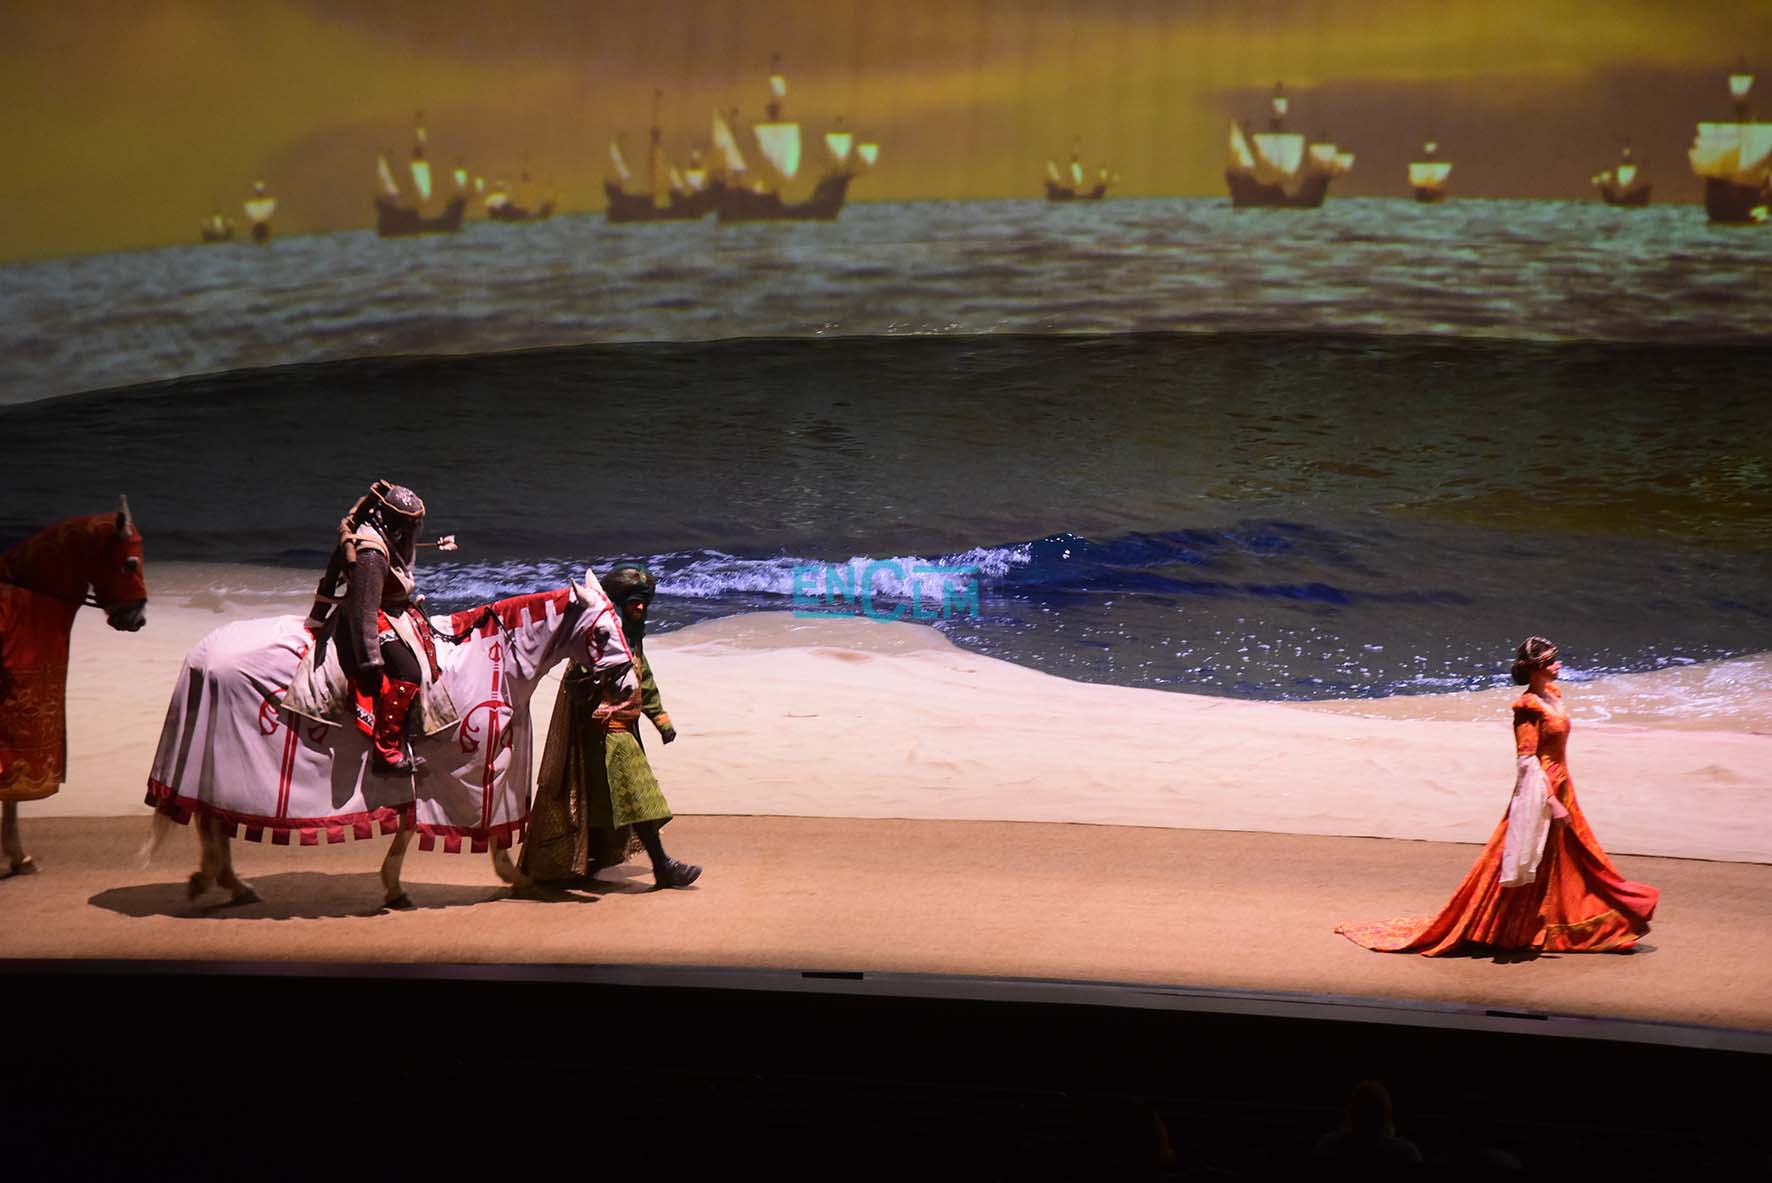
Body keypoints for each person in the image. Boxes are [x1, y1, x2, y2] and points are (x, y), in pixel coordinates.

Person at [1335, 636, 1658, 955]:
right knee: (1535, 856)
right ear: (1538, 667)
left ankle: (1596, 928)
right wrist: (1551, 801)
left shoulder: (1553, 696)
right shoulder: (1527, 707)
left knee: (1574, 857)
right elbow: (1526, 760)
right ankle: (1505, 925)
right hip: (1541, 790)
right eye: (1552, 660)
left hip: (1563, 785)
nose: (1559, 664)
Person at [520, 562, 701, 889]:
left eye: (644, 602)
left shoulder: (630, 639)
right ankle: (663, 866)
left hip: (621, 730)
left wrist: (661, 720)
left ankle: (593, 859)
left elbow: (644, 679)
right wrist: (593, 681)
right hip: (605, 732)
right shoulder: (600, 641)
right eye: (634, 602)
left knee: (607, 802)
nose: (641, 608)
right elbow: (577, 681)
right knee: (640, 795)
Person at [304, 481, 437, 777]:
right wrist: (371, 660)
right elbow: (364, 610)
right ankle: (386, 753)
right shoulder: (371, 554)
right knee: (409, 672)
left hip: (385, 609)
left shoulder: (384, 535)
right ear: (399, 526)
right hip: (365, 617)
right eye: (412, 527)